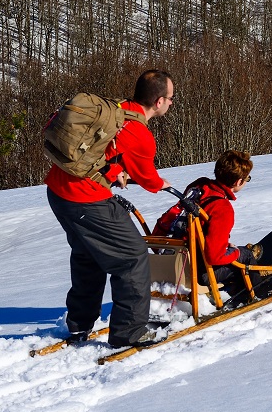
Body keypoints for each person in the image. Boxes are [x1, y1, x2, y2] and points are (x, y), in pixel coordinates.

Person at [46, 70, 175, 348]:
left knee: (88, 255)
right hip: (85, 199)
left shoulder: (116, 109)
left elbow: (99, 150)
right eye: (170, 98)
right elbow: (148, 178)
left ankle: (79, 325)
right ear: (158, 101)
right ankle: (129, 332)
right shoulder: (140, 133)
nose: (171, 103)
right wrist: (161, 183)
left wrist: (113, 170)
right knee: (132, 257)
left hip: (58, 192)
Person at [152, 150, 260, 299]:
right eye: (246, 179)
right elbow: (214, 257)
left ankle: (234, 287)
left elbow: (198, 227)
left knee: (231, 250)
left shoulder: (199, 186)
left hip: (171, 262)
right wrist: (235, 252)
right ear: (238, 182)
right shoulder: (222, 208)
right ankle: (257, 294)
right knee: (245, 255)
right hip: (198, 273)